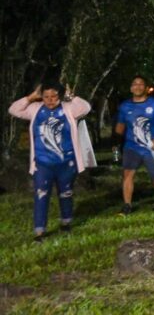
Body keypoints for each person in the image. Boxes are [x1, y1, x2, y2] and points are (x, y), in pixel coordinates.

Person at [9, 83, 92, 242]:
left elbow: (86, 107)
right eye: (46, 96)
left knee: (66, 193)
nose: (50, 100)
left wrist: (72, 96)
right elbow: (14, 110)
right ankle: (40, 231)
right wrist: (31, 98)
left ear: (60, 95)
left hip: (66, 162)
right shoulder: (36, 109)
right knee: (41, 195)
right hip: (42, 163)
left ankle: (66, 222)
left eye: (54, 96)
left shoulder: (68, 108)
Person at [115, 76, 154, 214]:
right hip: (131, 147)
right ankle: (127, 205)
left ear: (146, 88)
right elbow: (120, 126)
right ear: (131, 88)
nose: (138, 87)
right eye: (135, 84)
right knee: (127, 174)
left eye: (141, 84)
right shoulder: (124, 106)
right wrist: (116, 142)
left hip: (152, 147)